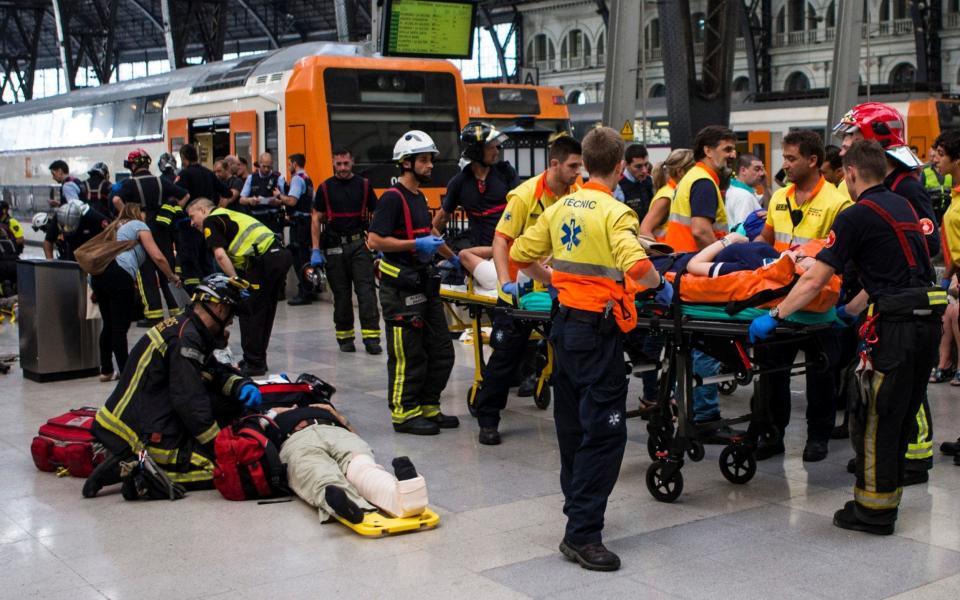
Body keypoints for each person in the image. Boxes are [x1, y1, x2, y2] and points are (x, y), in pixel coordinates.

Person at [749, 140, 943, 535]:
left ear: (851, 174)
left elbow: (816, 277)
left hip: (897, 328)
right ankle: (886, 499)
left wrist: (775, 314)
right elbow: (893, 272)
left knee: (874, 416)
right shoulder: (902, 206)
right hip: (928, 322)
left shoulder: (856, 215)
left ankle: (873, 512)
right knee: (901, 413)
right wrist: (850, 312)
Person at [510, 126, 671, 571]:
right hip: (597, 334)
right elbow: (638, 265)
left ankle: (577, 510)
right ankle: (582, 535)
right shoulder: (617, 213)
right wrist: (659, 286)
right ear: (620, 167)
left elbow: (522, 255)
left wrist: (555, 282)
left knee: (572, 424)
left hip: (563, 327)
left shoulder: (561, 207)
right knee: (604, 432)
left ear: (585, 161)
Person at [83, 274, 262, 498]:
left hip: (142, 416)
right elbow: (190, 401)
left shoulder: (187, 327)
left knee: (227, 405)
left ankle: (128, 461)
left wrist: (240, 386)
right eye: (230, 316)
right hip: (138, 431)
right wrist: (219, 447)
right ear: (218, 308)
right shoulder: (185, 338)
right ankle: (137, 474)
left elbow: (211, 371)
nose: (229, 324)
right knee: (220, 471)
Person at [835, 102, 940, 475]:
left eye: (851, 136)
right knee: (888, 388)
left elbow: (927, 247)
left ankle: (916, 454)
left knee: (909, 387)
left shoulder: (906, 187)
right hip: (879, 300)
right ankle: (888, 453)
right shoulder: (883, 184)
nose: (844, 145)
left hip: (902, 302)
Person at [473, 135, 583, 445]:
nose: (578, 172)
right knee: (506, 356)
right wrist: (506, 282)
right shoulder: (525, 196)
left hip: (557, 290)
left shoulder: (577, 194)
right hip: (519, 291)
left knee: (566, 353)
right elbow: (500, 241)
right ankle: (488, 417)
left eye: (580, 166)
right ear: (555, 164)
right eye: (573, 166)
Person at [752, 130, 852, 461]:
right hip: (779, 303)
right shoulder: (779, 197)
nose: (785, 165)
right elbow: (765, 241)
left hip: (818, 307)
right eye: (785, 158)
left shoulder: (837, 203)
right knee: (771, 375)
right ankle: (772, 433)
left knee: (820, 376)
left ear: (813, 161)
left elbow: (843, 257)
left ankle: (818, 437)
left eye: (792, 158)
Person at [367, 130, 458, 435]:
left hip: (423, 285)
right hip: (400, 289)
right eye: (423, 160)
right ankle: (404, 413)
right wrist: (414, 246)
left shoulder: (419, 197)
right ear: (406, 164)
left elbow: (429, 232)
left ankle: (429, 406)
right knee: (408, 354)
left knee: (442, 351)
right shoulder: (392, 199)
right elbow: (374, 240)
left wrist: (455, 258)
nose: (430, 165)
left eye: (430, 159)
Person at [664, 125, 736, 428]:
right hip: (697, 278)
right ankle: (703, 414)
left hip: (681, 272)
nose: (733, 154)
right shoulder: (705, 181)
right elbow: (701, 230)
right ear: (707, 150)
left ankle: (682, 404)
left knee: (689, 347)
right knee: (706, 346)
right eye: (727, 148)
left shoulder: (691, 178)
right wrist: (724, 264)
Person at [266, 399, 429, 524]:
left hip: (336, 431)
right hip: (296, 440)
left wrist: (336, 415)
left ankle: (407, 497)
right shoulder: (267, 414)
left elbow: (355, 435)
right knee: (318, 473)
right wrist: (271, 414)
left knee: (362, 467)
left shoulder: (322, 406)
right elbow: (254, 440)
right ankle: (349, 506)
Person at [187, 199, 291, 377]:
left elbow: (219, 255)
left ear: (203, 210)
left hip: (264, 260)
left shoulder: (211, 221)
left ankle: (254, 362)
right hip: (278, 256)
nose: (191, 223)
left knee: (249, 310)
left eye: (192, 216)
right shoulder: (228, 215)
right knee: (264, 310)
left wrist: (235, 281)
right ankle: (257, 358)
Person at [91, 203, 181, 382]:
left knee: (108, 324)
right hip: (119, 274)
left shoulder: (113, 226)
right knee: (120, 326)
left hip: (98, 276)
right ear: (139, 212)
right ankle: (125, 372)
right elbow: (157, 256)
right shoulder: (138, 225)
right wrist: (171, 276)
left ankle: (106, 370)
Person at [310, 147, 381, 354]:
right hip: (333, 247)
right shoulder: (325, 188)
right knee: (341, 296)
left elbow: (376, 213)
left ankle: (371, 338)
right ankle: (345, 338)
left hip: (360, 245)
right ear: (333, 163)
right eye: (338, 164)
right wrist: (315, 249)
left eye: (346, 163)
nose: (342, 168)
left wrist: (378, 242)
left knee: (366, 292)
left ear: (352, 163)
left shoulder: (365, 186)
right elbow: (315, 217)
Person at [112, 149, 189, 323]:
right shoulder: (160, 181)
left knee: (146, 272)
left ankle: (154, 315)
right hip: (163, 228)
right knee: (165, 267)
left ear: (133, 165)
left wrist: (129, 217)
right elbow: (185, 195)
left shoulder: (130, 184)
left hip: (142, 229)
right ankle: (177, 310)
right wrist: (173, 210)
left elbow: (116, 200)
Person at [433, 121, 520, 248]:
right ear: (476, 151)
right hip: (478, 252)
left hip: (509, 248)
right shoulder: (459, 182)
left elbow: (523, 208)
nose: (496, 152)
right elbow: (441, 218)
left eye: (497, 147)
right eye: (491, 147)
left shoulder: (506, 172)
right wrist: (424, 246)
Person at [176, 143, 231, 281]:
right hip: (207, 224)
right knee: (207, 261)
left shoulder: (184, 175)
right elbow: (227, 192)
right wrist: (217, 208)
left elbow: (175, 194)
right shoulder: (209, 173)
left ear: (183, 158)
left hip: (189, 224)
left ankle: (195, 293)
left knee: (190, 261)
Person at [279, 153, 316, 306]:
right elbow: (312, 200)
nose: (289, 167)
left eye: (289, 164)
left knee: (299, 259)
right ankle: (310, 289)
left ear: (294, 164)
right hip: (306, 222)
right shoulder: (308, 179)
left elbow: (292, 201)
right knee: (305, 257)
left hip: (299, 225)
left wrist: (279, 196)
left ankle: (304, 293)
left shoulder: (296, 179)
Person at [640, 149, 695, 241]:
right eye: (693, 169)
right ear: (680, 172)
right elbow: (644, 230)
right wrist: (661, 253)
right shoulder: (667, 196)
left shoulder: (676, 191)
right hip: (668, 253)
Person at [43, 200, 108, 261]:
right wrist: (50, 262)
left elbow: (111, 229)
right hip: (71, 247)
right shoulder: (59, 217)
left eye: (70, 227)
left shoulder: (92, 216)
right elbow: (48, 241)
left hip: (92, 245)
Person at [239, 152, 286, 233]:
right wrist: (250, 200)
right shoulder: (251, 178)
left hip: (274, 222)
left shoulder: (279, 178)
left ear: (272, 165)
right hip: (256, 221)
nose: (266, 169)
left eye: (269, 167)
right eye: (264, 166)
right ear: (259, 164)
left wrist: (279, 202)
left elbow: (286, 200)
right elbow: (241, 200)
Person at [725, 153, 766, 229]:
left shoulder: (735, 189)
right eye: (757, 169)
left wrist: (765, 186)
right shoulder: (744, 196)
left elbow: (768, 204)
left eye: (762, 169)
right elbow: (744, 230)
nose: (762, 173)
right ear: (743, 170)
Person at [618, 143, 654, 221]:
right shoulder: (618, 186)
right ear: (626, 164)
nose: (644, 170)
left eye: (646, 165)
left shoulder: (650, 180)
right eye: (638, 166)